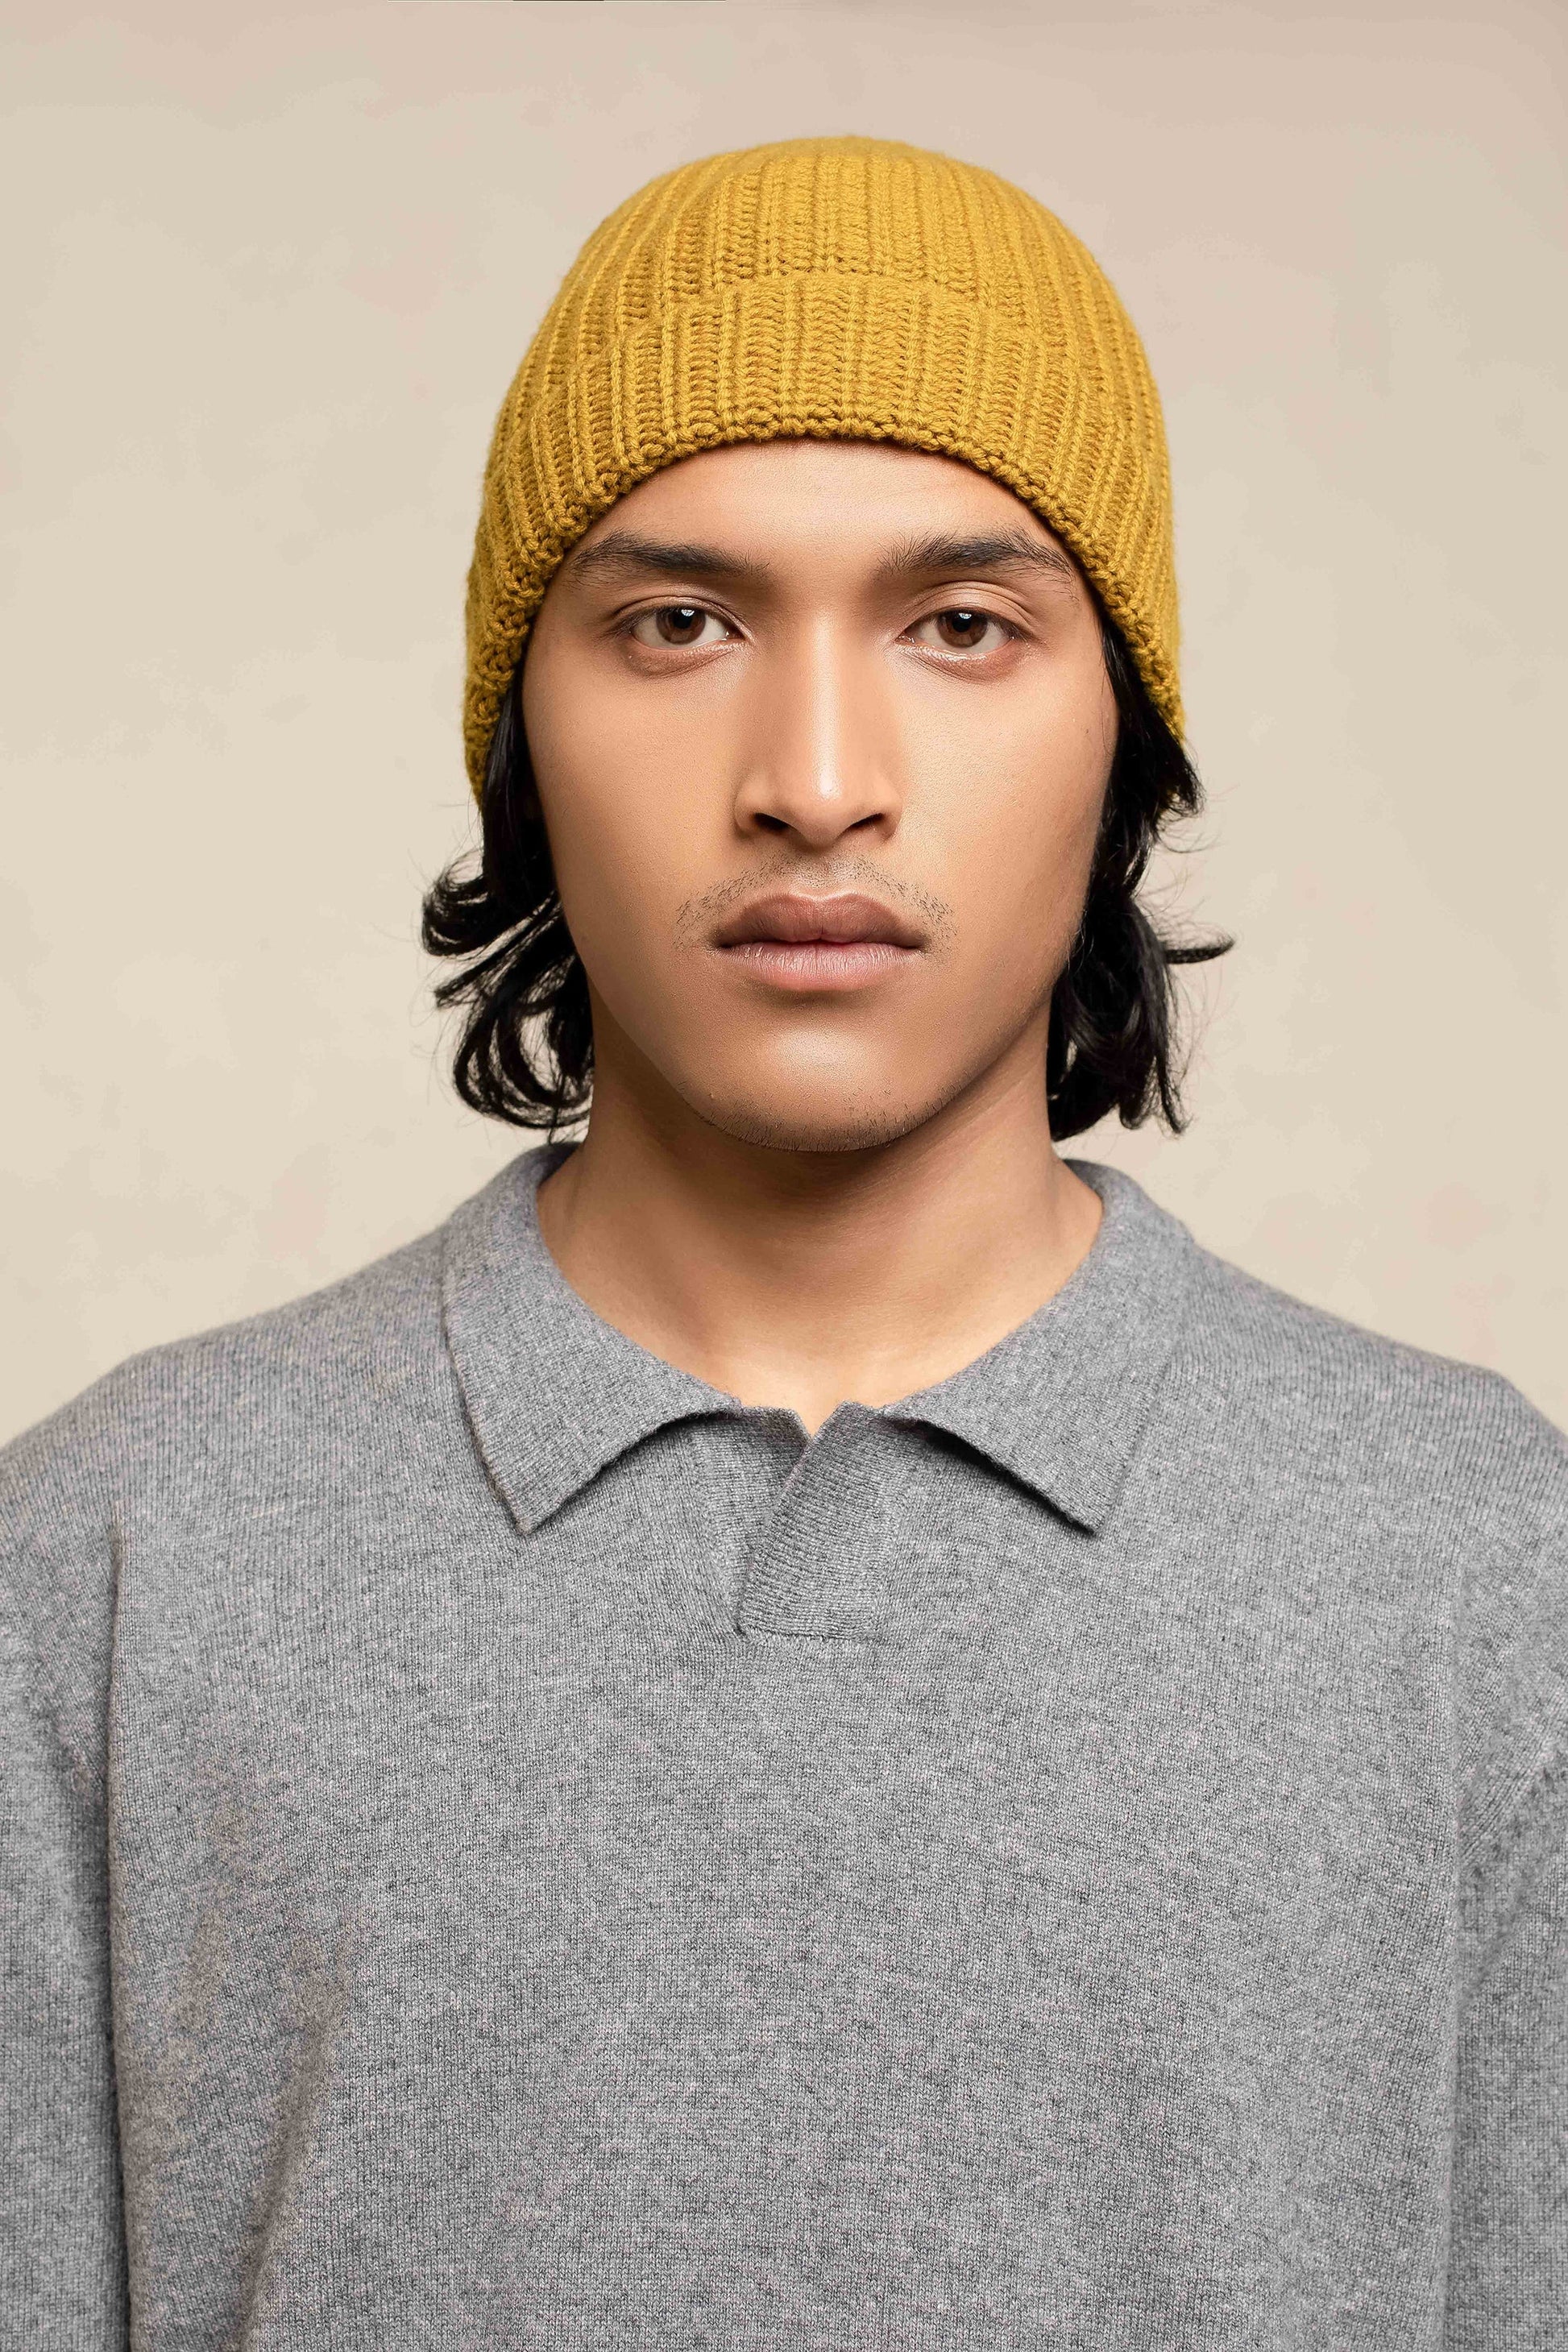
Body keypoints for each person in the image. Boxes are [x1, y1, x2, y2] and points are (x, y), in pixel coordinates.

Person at [2, 135, 1563, 2350]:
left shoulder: (1487, 1576)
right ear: (520, 733)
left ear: (1124, 737)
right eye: (679, 623)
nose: (815, 777)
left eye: (960, 626)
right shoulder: (103, 1571)